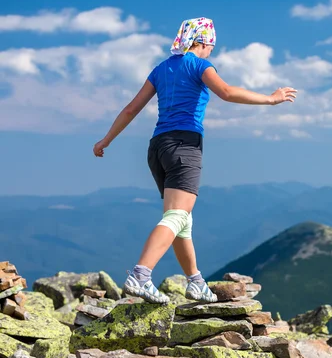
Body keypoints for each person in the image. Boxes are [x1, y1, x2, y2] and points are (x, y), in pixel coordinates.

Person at [92, 17, 297, 304]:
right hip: (184, 146)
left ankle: (195, 282)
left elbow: (130, 110)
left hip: (158, 147)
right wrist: (270, 99)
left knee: (181, 219)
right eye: (211, 45)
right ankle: (141, 275)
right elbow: (225, 92)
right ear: (202, 42)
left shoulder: (161, 69)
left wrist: (106, 140)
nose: (212, 50)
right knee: (176, 216)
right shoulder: (199, 65)